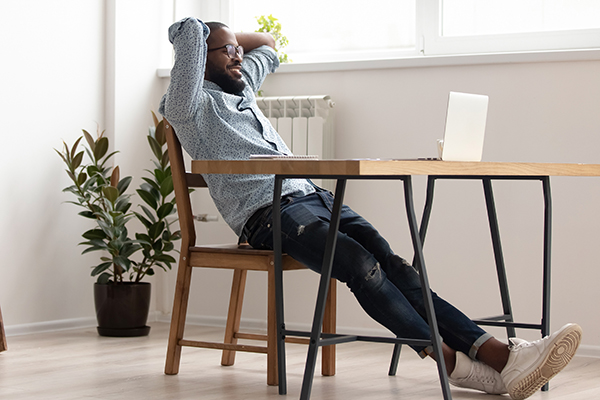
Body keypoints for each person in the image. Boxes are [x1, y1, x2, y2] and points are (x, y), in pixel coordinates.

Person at [159, 17, 582, 400]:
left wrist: (228, 40)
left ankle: (501, 357)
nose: (238, 55)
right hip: (267, 211)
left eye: (237, 49)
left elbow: (267, 44)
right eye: (226, 50)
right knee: (361, 266)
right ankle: (453, 362)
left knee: (396, 266)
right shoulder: (189, 105)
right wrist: (206, 33)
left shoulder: (243, 84)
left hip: (316, 197)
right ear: (198, 60)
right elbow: (188, 31)